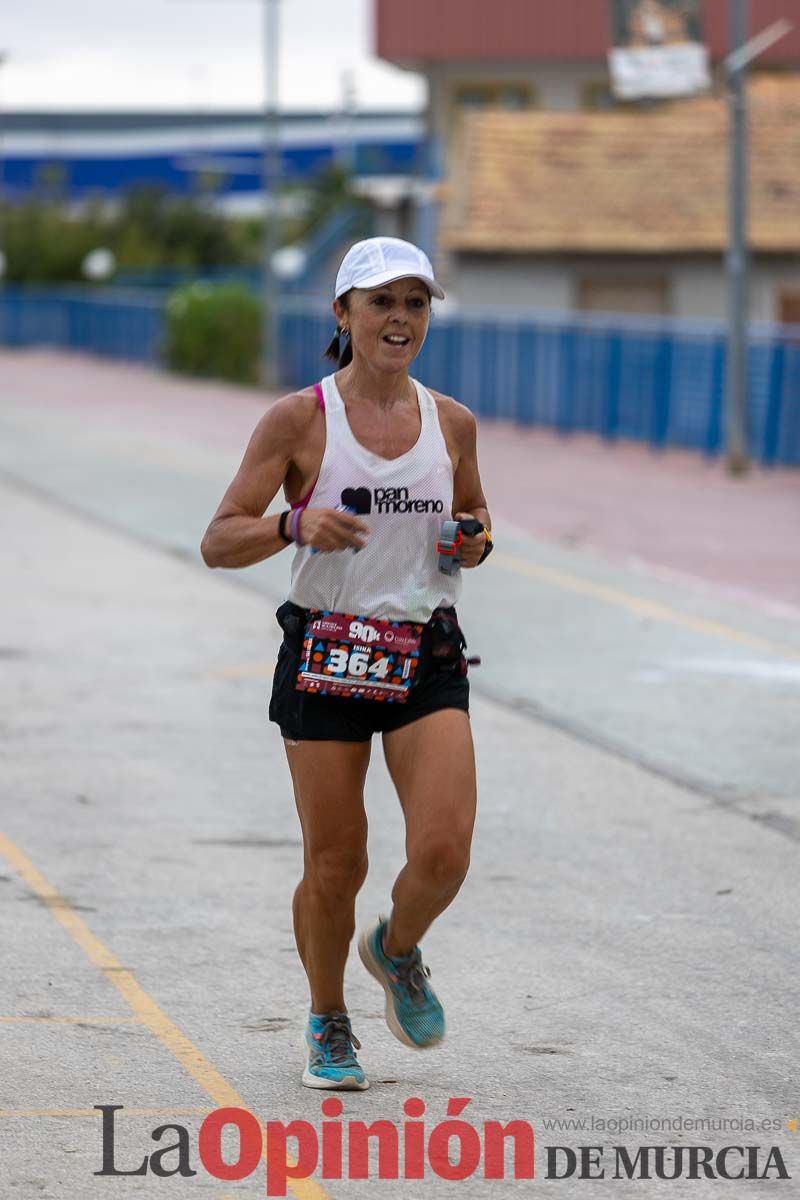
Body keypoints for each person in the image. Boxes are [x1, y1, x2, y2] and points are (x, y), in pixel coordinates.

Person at [201, 236, 493, 1090]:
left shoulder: (453, 423)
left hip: (423, 649)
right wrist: (295, 525)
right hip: (328, 649)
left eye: (416, 303)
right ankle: (328, 1019)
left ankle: (395, 951)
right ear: (343, 314)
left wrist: (472, 542)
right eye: (382, 302)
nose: (401, 319)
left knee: (443, 852)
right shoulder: (300, 420)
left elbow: (475, 523)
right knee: (338, 862)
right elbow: (220, 540)